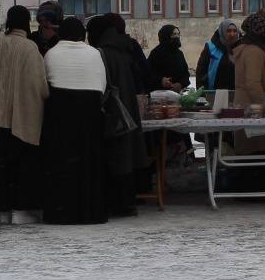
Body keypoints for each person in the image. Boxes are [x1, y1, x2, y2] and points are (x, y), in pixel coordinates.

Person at [0, 5, 49, 223]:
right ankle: (20, 210)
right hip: (21, 116)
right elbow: (39, 84)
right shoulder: (30, 48)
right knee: (21, 165)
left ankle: (1, 210)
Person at [41, 17, 108, 224]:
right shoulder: (95, 53)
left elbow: (44, 86)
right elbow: (103, 85)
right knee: (89, 165)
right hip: (91, 115)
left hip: (60, 117)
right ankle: (90, 212)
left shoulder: (51, 54)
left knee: (62, 167)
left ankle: (62, 212)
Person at [88, 13, 148, 215]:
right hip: (128, 109)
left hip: (113, 113)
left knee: (114, 156)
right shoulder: (124, 48)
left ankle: (116, 203)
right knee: (125, 156)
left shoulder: (103, 53)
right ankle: (127, 202)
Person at [231, 11, 265, 154]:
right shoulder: (254, 51)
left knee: (251, 153)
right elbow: (252, 83)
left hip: (249, 107)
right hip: (255, 111)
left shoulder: (250, 49)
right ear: (260, 33)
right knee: (256, 154)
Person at [194, 18, 240, 92]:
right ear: (222, 32)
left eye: (235, 31)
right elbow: (201, 71)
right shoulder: (210, 47)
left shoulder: (243, 48)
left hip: (238, 94)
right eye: (228, 31)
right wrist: (201, 92)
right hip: (214, 93)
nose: (232, 34)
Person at [146, 23, 191, 91]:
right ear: (166, 36)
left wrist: (180, 84)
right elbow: (148, 74)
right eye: (174, 34)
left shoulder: (179, 54)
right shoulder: (156, 53)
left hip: (177, 94)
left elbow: (186, 74)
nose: (177, 37)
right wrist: (161, 80)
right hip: (158, 95)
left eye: (178, 34)